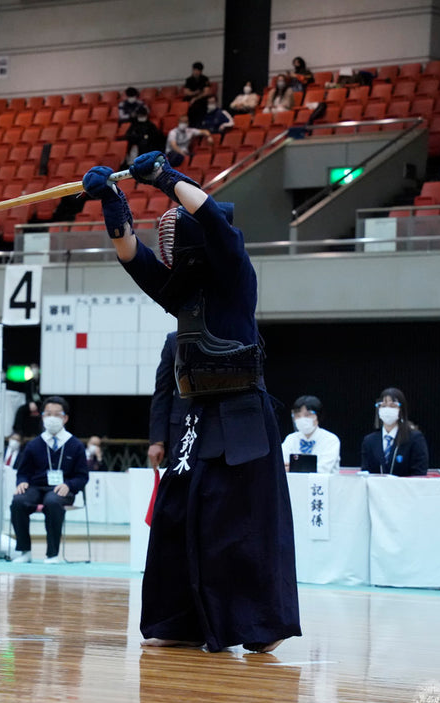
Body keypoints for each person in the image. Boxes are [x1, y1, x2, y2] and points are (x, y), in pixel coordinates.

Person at [81, 151, 301, 653]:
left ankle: (257, 626)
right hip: (197, 417)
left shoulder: (235, 277)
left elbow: (214, 226)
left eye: (176, 228)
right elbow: (134, 259)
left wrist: (164, 178)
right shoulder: (183, 293)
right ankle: (180, 620)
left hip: (243, 415)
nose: (168, 236)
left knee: (238, 523)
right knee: (179, 516)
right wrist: (112, 205)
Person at [9, 396, 89, 564]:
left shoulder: (75, 445)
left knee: (53, 502)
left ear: (65, 418)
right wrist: (21, 481)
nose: (52, 418)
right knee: (18, 502)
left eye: (57, 414)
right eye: (48, 414)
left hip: (61, 489)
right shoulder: (33, 445)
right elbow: (23, 472)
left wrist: (69, 485)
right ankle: (25, 551)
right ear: (43, 417)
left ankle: (52, 554)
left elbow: (82, 476)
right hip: (36, 487)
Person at [360, 387, 429, 476]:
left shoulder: (414, 438)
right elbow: (365, 472)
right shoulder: (369, 441)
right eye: (383, 406)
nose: (387, 409)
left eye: (392, 406)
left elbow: (419, 473)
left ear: (401, 409)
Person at [147, 332, 188, 469]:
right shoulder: (173, 340)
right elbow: (162, 392)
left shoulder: (228, 334)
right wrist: (157, 441)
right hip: (181, 430)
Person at [280, 395, 341, 475]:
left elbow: (323, 469)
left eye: (307, 415)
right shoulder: (291, 439)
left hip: (323, 485)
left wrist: (294, 467)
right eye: (297, 415)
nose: (302, 419)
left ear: (318, 416)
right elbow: (282, 465)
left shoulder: (330, 439)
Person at [182, 62, 214, 128]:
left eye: (198, 70)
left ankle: (199, 125)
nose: (196, 72)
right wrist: (195, 93)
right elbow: (186, 92)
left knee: (199, 105)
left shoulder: (204, 79)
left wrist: (196, 98)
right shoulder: (189, 80)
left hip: (201, 99)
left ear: (201, 71)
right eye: (194, 70)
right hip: (191, 99)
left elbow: (206, 92)